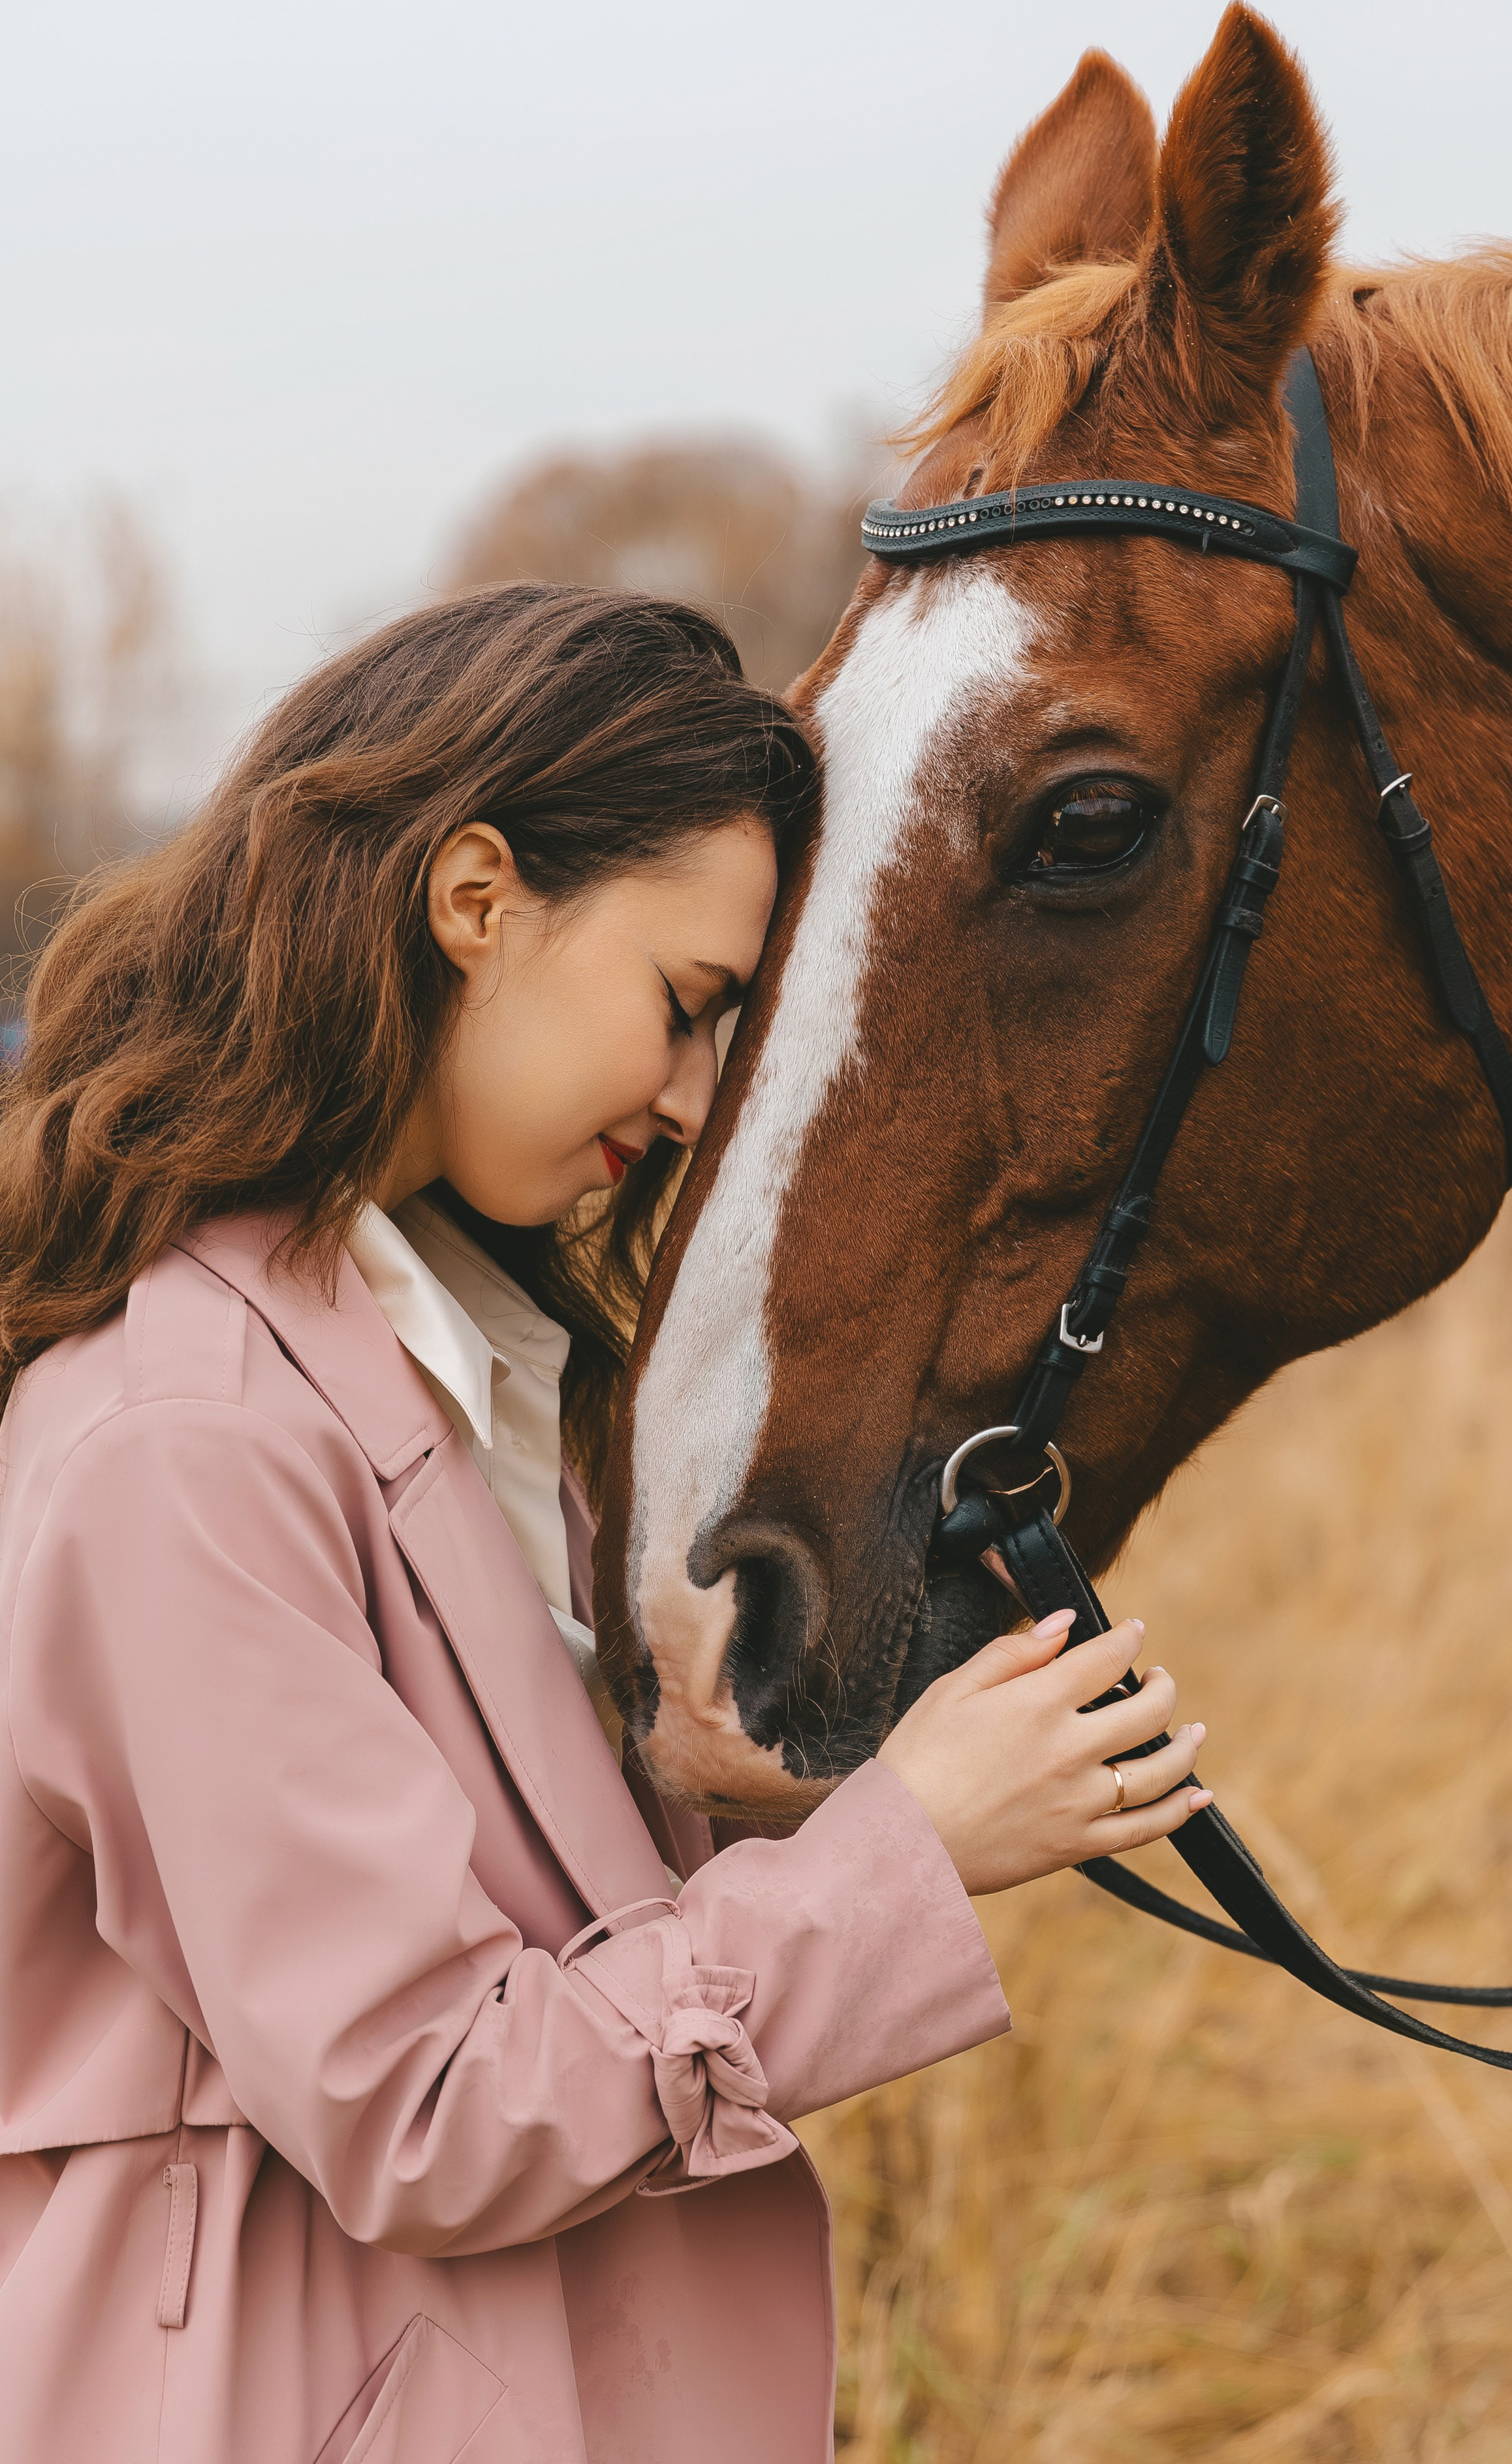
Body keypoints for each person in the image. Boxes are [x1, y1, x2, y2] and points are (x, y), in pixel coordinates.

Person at [0, 584, 1212, 2463]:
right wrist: (902, 1859)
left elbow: (497, 1925)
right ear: (475, 898)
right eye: (686, 1007)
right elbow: (423, 2100)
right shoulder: (189, 1444)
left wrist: (708, 1788)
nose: (691, 1096)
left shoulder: (464, 1369)